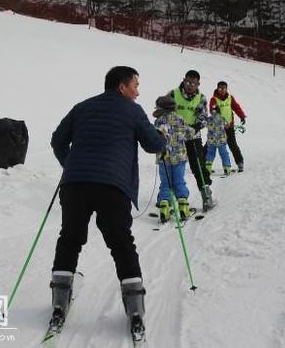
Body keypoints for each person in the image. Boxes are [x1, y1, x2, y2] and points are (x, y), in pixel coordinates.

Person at [49, 66, 166, 336]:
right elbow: (153, 145)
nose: (138, 91)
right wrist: (162, 138)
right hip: (112, 186)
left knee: (70, 238)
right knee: (121, 242)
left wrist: (72, 166)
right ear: (121, 87)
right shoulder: (133, 111)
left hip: (75, 184)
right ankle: (135, 309)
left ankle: (59, 303)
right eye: (135, 85)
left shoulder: (81, 107)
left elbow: (57, 141)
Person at [167, 70, 215, 210]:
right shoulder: (173, 94)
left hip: (193, 136)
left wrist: (194, 127)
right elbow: (164, 110)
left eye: (193, 83)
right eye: (188, 82)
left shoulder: (201, 98)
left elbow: (203, 118)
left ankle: (206, 195)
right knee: (172, 166)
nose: (190, 86)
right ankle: (167, 197)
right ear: (184, 80)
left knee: (198, 165)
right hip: (175, 137)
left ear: (198, 84)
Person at [153, 95, 195, 222]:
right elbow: (189, 133)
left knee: (165, 183)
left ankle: (164, 208)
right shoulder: (180, 119)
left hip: (163, 158)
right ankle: (183, 207)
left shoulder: (158, 121)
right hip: (179, 156)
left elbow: (154, 137)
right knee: (179, 182)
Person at [209, 81, 247, 172]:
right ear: (217, 89)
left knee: (233, 144)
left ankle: (240, 163)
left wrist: (241, 116)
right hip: (218, 128)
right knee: (210, 146)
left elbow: (236, 107)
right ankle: (204, 164)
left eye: (224, 88)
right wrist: (215, 110)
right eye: (220, 88)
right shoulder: (214, 99)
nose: (222, 90)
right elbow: (212, 109)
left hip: (229, 126)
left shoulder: (230, 98)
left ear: (227, 89)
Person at [205, 105, 233, 176]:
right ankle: (227, 168)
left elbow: (205, 125)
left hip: (211, 140)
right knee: (224, 154)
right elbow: (227, 125)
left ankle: (208, 168)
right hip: (221, 140)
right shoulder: (222, 118)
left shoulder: (209, 119)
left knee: (210, 154)